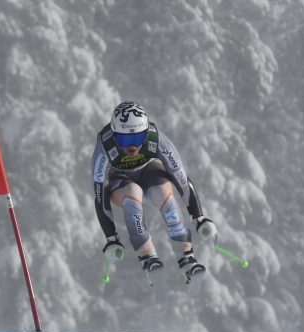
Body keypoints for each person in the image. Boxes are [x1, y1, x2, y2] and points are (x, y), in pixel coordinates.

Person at [91, 101, 217, 289]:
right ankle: (148, 257)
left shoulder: (155, 139)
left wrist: (198, 216)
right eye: (125, 141)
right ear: (115, 136)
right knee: (133, 197)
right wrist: (111, 237)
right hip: (120, 179)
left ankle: (186, 257)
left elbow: (180, 176)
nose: (132, 147)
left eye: (138, 138)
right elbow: (100, 192)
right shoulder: (105, 146)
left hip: (149, 170)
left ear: (146, 132)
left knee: (166, 201)